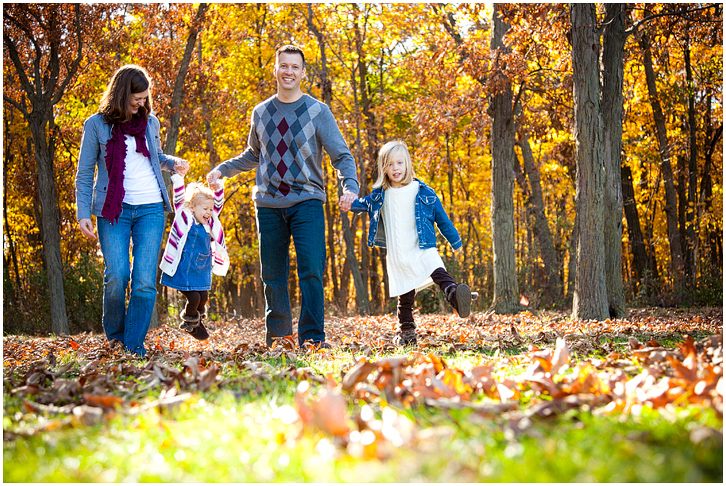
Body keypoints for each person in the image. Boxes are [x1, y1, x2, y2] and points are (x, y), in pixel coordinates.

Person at [207, 44, 359, 348]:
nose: (288, 71)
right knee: (273, 275)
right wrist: (223, 169)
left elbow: (341, 155)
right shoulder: (261, 112)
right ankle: (279, 338)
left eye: (295, 67)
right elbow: (253, 154)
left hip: (308, 201)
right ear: (275, 69)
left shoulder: (318, 111)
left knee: (312, 270)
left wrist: (350, 187)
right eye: (283, 65)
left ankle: (312, 339)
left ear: (303, 73)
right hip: (268, 203)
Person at [75, 64, 190, 357]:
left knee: (143, 282)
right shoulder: (96, 125)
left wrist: (172, 162)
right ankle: (115, 338)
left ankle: (134, 344)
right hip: (113, 210)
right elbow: (85, 172)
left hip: (150, 208)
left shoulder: (150, 123)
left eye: (144, 98)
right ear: (121, 94)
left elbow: (155, 157)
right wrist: (82, 213)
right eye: (136, 98)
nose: (141, 104)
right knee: (117, 275)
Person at [344, 140, 475, 346]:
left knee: (439, 272)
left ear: (407, 165)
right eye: (389, 164)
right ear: (383, 168)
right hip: (399, 252)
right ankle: (407, 333)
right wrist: (349, 203)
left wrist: (455, 241)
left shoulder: (423, 192)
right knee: (405, 295)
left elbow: (442, 220)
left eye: (399, 163)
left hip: (422, 246)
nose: (395, 168)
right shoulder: (381, 195)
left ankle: (455, 296)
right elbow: (363, 204)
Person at [159, 175, 229, 340]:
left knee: (204, 297)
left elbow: (218, 205)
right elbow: (178, 200)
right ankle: (190, 324)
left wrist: (218, 187)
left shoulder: (210, 223)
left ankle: (197, 320)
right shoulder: (185, 218)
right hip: (183, 269)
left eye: (210, 209)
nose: (209, 212)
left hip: (200, 270)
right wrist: (178, 179)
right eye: (205, 209)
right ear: (192, 207)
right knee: (195, 297)